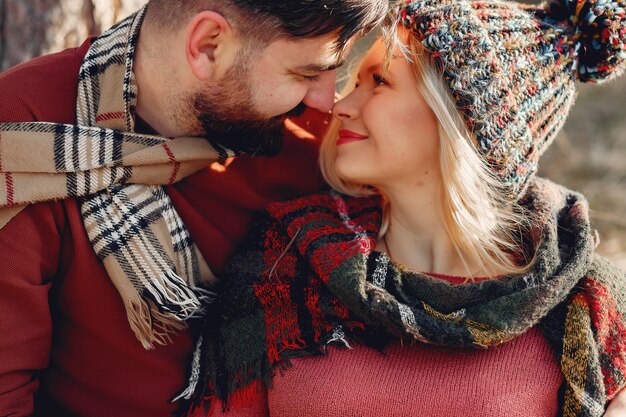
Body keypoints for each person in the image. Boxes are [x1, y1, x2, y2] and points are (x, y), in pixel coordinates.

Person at [182, 0, 626, 416]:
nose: (343, 106)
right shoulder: (288, 262)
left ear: (457, 116)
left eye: (379, 81)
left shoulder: (586, 306)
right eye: (354, 83)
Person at [0, 0, 389, 416]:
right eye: (307, 73)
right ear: (208, 45)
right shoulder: (30, 135)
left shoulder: (319, 144)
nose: (327, 101)